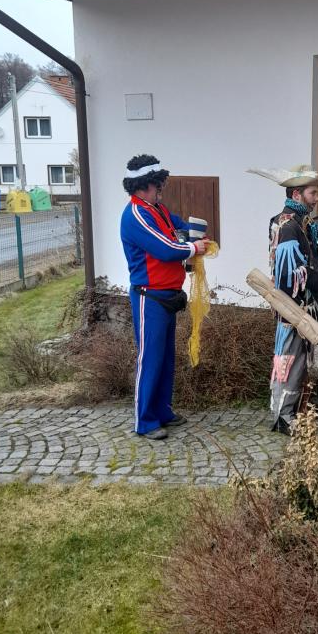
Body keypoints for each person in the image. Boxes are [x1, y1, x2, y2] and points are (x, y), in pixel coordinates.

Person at [120, 155, 207, 440]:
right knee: (150, 359)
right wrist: (193, 248)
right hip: (149, 297)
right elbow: (166, 248)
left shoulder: (157, 209)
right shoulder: (135, 215)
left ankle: (163, 411)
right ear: (143, 185)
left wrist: (196, 235)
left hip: (167, 295)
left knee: (166, 358)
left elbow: (179, 229)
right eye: (158, 184)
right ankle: (145, 421)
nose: (161, 189)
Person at [248, 164, 318, 435]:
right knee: (287, 358)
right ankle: (282, 416)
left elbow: (311, 261)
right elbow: (288, 275)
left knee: (301, 358)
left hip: (304, 304)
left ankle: (299, 404)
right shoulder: (288, 226)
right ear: (297, 194)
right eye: (312, 193)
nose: (317, 198)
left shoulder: (303, 224)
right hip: (292, 307)